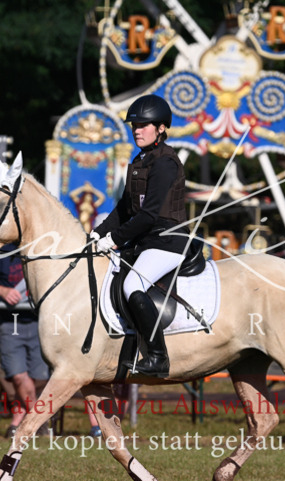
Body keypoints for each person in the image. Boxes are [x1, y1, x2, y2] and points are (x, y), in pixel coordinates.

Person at [92, 94, 189, 378]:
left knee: (132, 284)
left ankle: (158, 356)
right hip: (145, 241)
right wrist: (95, 234)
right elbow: (123, 209)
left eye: (144, 124)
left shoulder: (166, 163)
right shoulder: (140, 160)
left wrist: (112, 240)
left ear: (161, 128)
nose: (137, 129)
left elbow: (148, 215)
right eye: (134, 124)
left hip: (167, 241)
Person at [0, 247, 51, 439]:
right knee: (19, 377)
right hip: (9, 324)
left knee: (38, 379)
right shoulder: (2, 253)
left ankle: (19, 422)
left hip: (39, 323)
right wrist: (2, 290)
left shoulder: (42, 250)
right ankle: (38, 421)